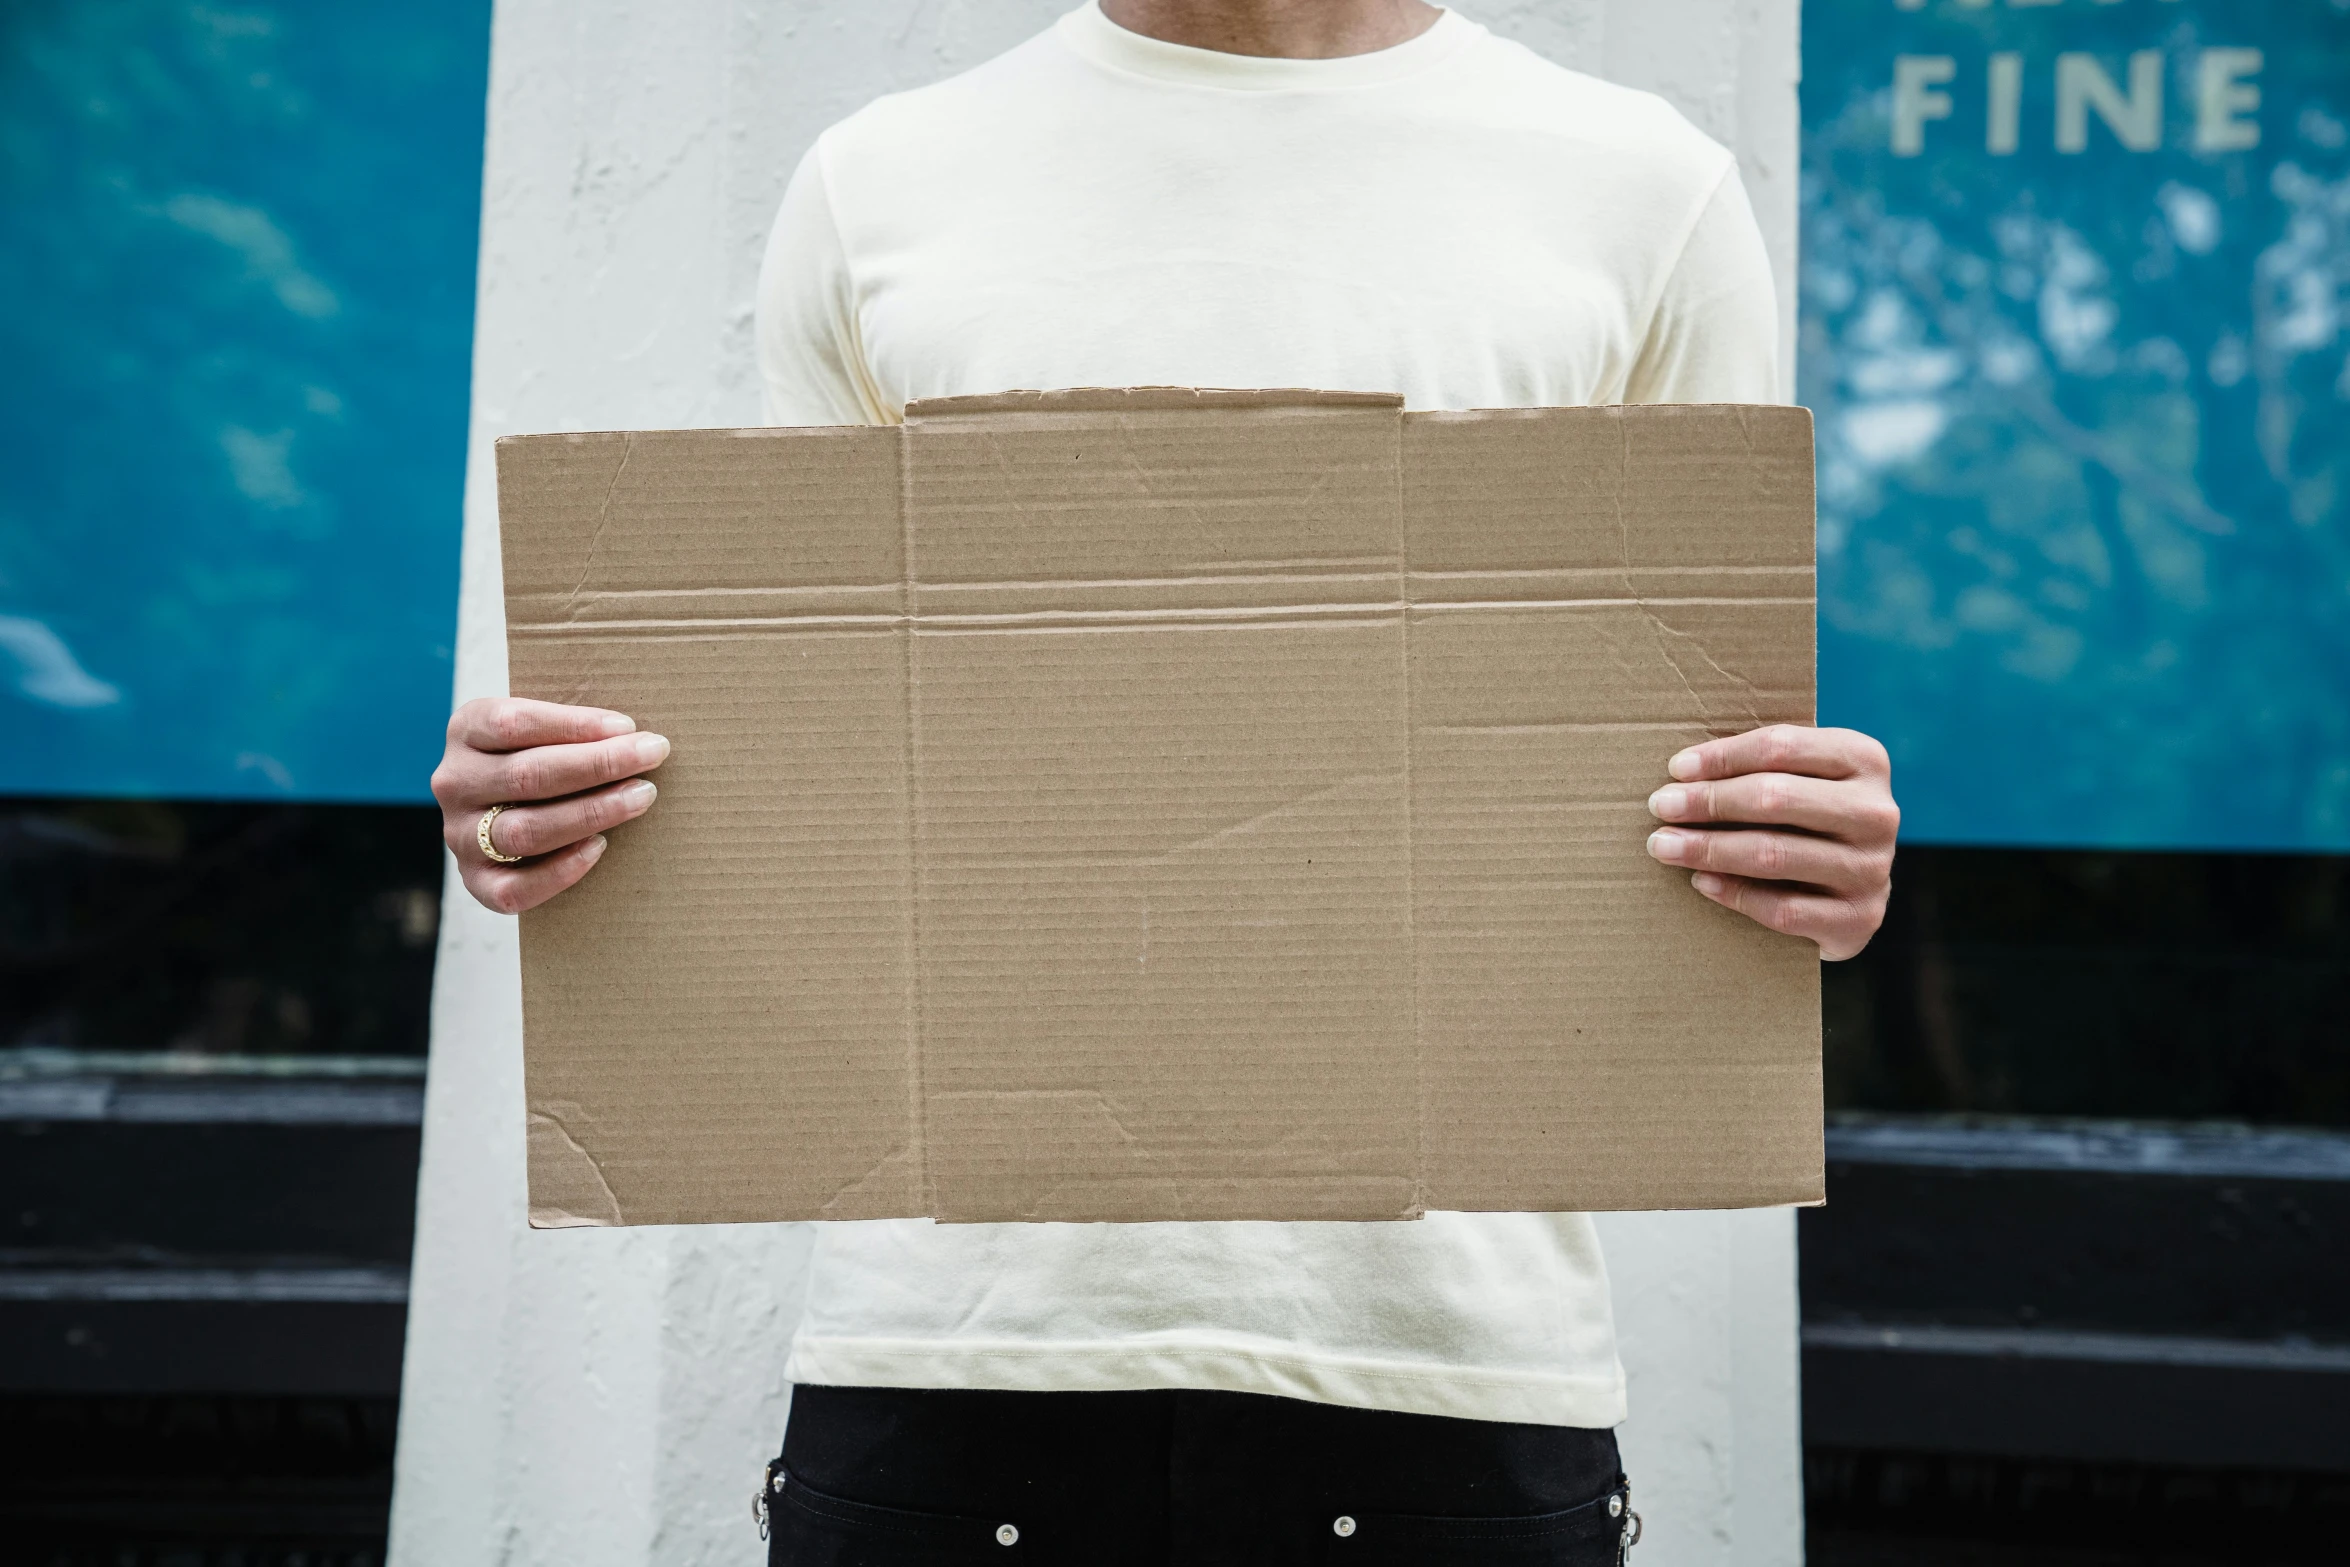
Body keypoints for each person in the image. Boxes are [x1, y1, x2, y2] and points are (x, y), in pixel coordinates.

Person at [430, 2, 1899, 1560]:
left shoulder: (1642, 190)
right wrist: (564, 813)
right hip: (949, 1356)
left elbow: (1703, 755)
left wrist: (1809, 864)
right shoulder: (881, 183)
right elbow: (815, 757)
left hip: (1448, 1362)